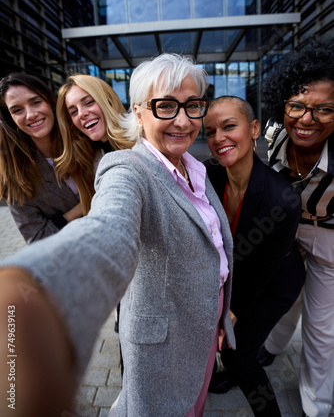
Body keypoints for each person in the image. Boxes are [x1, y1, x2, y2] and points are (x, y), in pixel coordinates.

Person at [0, 53, 235, 417]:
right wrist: (36, 282)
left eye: (193, 105)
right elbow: (110, 229)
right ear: (138, 114)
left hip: (203, 319)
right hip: (162, 329)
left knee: (196, 401)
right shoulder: (123, 166)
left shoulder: (195, 167)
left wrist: (219, 313)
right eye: (166, 106)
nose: (183, 119)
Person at [203, 96, 305, 416]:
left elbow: (260, 273)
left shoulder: (282, 199)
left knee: (237, 356)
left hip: (272, 283)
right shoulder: (210, 175)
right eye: (209, 131)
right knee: (232, 350)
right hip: (237, 273)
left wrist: (228, 315)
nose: (219, 138)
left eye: (229, 126)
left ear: (254, 129)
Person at [260, 37, 334, 417]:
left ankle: (316, 408)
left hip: (330, 243)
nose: (307, 118)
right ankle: (269, 351)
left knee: (321, 332)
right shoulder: (275, 135)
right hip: (287, 231)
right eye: (297, 106)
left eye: (324, 109)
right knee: (285, 298)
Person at [0, 73, 82, 243]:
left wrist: (58, 221)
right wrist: (80, 209)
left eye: (36, 102)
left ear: (50, 101)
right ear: (10, 119)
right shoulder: (15, 175)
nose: (30, 115)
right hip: (75, 258)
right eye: (17, 110)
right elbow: (38, 238)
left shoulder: (83, 136)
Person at [56, 74, 134, 215]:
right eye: (73, 112)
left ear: (107, 100)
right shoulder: (90, 162)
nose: (81, 114)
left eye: (89, 102)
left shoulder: (144, 141)